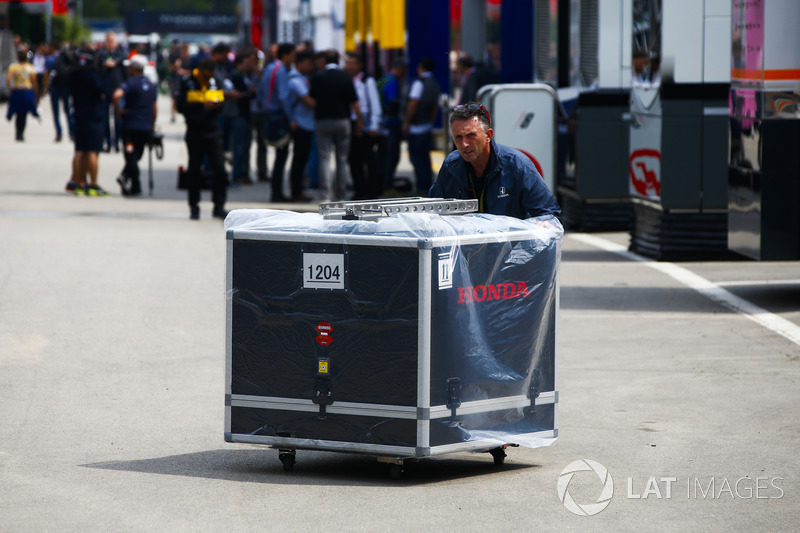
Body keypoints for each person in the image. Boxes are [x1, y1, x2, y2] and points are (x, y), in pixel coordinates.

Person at [430, 102, 560, 219]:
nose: (464, 144)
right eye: (458, 137)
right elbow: (433, 213)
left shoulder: (517, 165)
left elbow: (549, 214)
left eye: (471, 136)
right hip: (465, 244)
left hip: (510, 245)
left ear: (489, 135)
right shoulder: (451, 165)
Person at [175, 58, 228, 220]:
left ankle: (219, 206)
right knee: (195, 170)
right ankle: (194, 207)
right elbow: (180, 106)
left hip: (213, 131)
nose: (208, 77)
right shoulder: (187, 82)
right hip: (195, 131)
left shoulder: (215, 80)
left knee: (220, 169)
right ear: (200, 70)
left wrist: (217, 105)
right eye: (206, 74)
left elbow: (222, 102)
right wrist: (201, 106)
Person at [309, 49, 362, 202]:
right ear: (338, 61)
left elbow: (312, 100)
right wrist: (359, 121)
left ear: (324, 61)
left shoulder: (318, 77)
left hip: (323, 121)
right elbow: (355, 103)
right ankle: (340, 195)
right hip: (343, 121)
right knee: (342, 159)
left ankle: (326, 195)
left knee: (324, 158)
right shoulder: (345, 77)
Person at [112, 55, 157, 197]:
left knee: (131, 154)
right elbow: (155, 108)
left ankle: (132, 182)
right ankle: (127, 178)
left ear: (134, 68)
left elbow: (116, 95)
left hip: (130, 127)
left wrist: (118, 111)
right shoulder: (151, 85)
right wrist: (152, 124)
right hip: (144, 128)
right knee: (136, 155)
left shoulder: (131, 83)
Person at [68, 47, 110, 196]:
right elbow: (103, 91)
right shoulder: (93, 76)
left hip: (79, 115)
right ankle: (93, 184)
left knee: (79, 151)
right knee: (92, 151)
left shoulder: (74, 75)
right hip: (93, 116)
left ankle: (79, 183)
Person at [258, 42, 296, 202]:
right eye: (293, 55)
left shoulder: (269, 68)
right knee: (281, 155)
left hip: (269, 113)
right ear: (286, 55)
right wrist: (292, 118)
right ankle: (277, 192)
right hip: (279, 116)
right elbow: (283, 97)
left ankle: (276, 191)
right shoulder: (281, 71)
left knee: (278, 155)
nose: (294, 58)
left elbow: (260, 90)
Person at [344, 53, 382, 200]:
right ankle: (359, 189)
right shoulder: (347, 80)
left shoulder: (367, 81)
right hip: (351, 123)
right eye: (348, 63)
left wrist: (374, 125)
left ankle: (372, 190)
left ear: (360, 65)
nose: (350, 66)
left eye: (353, 63)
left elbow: (375, 104)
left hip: (365, 124)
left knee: (369, 159)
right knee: (354, 159)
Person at [403, 56, 441, 195]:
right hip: (426, 126)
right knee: (425, 159)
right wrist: (431, 121)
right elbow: (436, 106)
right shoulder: (435, 84)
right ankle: (427, 186)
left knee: (416, 159)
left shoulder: (419, 83)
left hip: (416, 127)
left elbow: (413, 103)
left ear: (421, 67)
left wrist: (406, 122)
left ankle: (421, 188)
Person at [287, 50, 316, 201]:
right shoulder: (295, 81)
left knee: (301, 159)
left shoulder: (302, 78)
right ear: (299, 64)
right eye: (308, 63)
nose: (311, 66)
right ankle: (296, 191)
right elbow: (309, 102)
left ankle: (298, 189)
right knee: (299, 159)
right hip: (301, 124)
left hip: (305, 123)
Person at [377, 58, 407, 194]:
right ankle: (387, 186)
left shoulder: (384, 80)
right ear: (399, 69)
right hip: (392, 123)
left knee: (384, 155)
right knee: (392, 156)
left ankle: (383, 184)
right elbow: (393, 102)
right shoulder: (393, 82)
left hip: (383, 123)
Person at [229, 50, 258, 185]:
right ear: (239, 64)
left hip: (245, 115)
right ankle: (237, 174)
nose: (248, 66)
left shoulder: (244, 76)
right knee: (239, 147)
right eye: (246, 63)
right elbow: (242, 94)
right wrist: (248, 93)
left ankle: (241, 173)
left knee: (244, 146)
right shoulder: (235, 76)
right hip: (239, 115)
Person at [99, 32, 127, 152]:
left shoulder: (121, 54)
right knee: (105, 118)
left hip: (117, 90)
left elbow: (125, 72)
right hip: (105, 90)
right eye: (108, 40)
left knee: (118, 118)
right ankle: (108, 143)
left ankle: (117, 143)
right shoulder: (101, 55)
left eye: (112, 40)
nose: (110, 43)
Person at [5, 49, 39, 142]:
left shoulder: (13, 67)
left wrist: (9, 89)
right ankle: (21, 133)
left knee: (18, 113)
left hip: (17, 91)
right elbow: (34, 82)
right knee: (24, 114)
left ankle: (18, 132)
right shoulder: (30, 68)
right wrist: (36, 93)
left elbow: (8, 79)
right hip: (26, 91)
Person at [47, 42, 75, 142]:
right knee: (68, 111)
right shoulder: (69, 57)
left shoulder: (51, 58)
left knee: (56, 112)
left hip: (55, 87)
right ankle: (71, 133)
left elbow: (47, 73)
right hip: (66, 87)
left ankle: (59, 133)